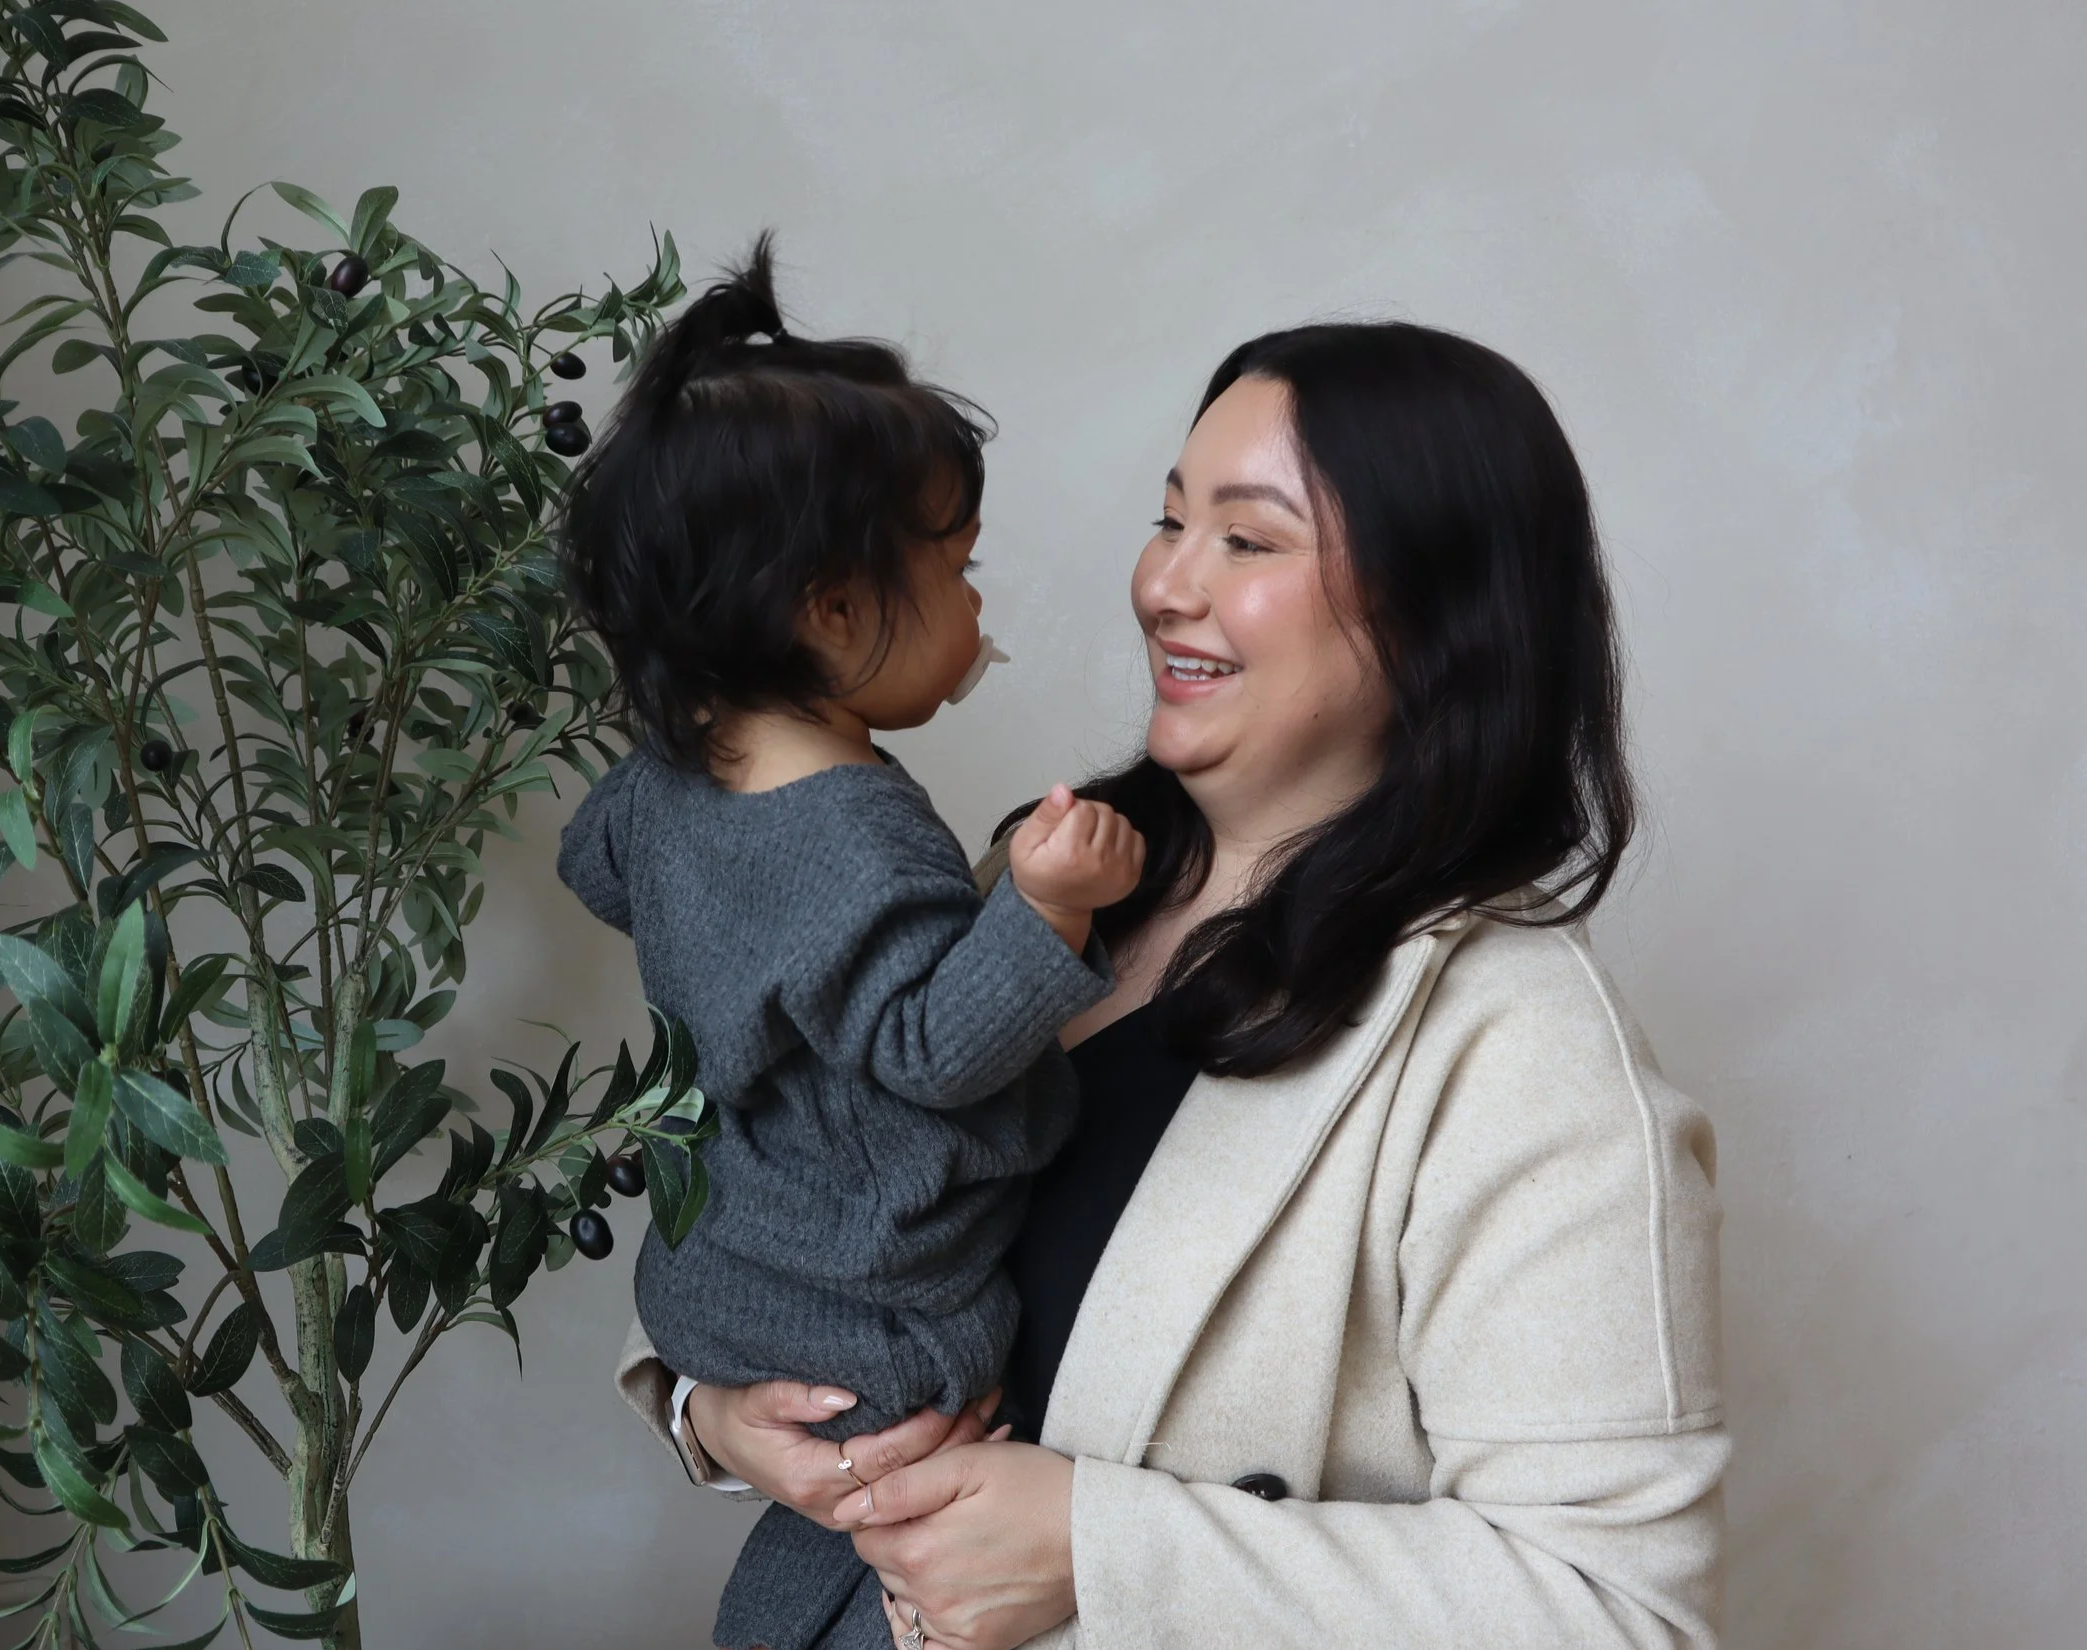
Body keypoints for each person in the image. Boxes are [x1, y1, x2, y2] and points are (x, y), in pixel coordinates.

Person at [616, 322, 1728, 1650]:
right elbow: (816, 1174)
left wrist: (1101, 1546)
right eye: (1168, 520)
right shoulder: (1039, 881)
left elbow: (1620, 1613)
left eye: (1246, 539)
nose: (1162, 585)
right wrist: (717, 1414)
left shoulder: (1523, 1049)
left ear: (1439, 610)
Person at [555, 239, 1147, 1650]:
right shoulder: (862, 835)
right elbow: (935, 1049)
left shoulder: (667, 781)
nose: (979, 605)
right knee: (944, 1441)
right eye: (958, 567)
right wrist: (1047, 911)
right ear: (829, 613)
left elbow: (596, 867)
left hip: (719, 1275)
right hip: (876, 1319)